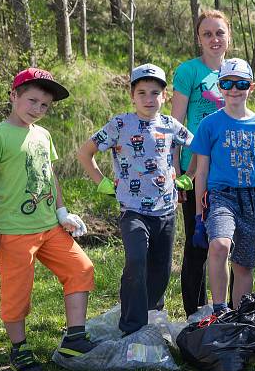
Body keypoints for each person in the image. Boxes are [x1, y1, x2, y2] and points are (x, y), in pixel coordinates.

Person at [0, 68, 96, 371]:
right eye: (32, 101)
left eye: (44, 105)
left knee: (81, 269)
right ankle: (19, 348)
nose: (37, 109)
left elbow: (49, 175)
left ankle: (75, 338)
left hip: (49, 227)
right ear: (13, 96)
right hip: (13, 232)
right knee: (17, 292)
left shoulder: (43, 134)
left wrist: (62, 212)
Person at [78, 64, 193, 336]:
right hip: (133, 210)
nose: (148, 99)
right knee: (136, 261)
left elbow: (197, 146)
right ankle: (131, 327)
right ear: (132, 95)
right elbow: (85, 153)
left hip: (165, 210)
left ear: (164, 97)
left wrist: (189, 175)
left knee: (161, 269)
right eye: (142, 92)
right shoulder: (120, 124)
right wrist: (102, 182)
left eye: (155, 93)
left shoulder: (170, 125)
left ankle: (152, 319)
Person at [190, 58, 255, 313]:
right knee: (220, 245)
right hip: (221, 196)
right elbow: (201, 172)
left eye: (241, 83)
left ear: (252, 87)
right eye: (227, 83)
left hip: (254, 198)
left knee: (244, 265)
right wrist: (198, 216)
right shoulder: (209, 124)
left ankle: (240, 318)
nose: (234, 89)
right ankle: (220, 310)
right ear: (219, 86)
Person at [171, 9, 232, 316]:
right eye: (207, 33)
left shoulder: (236, 70)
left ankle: (229, 311)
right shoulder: (188, 72)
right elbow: (174, 124)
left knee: (227, 244)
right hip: (193, 169)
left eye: (219, 33)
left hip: (230, 170)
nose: (214, 39)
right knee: (198, 245)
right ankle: (194, 315)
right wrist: (176, 171)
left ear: (228, 36)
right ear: (199, 38)